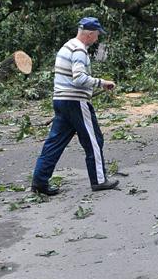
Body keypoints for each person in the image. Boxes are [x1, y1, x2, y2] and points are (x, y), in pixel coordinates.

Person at [31, 17, 118, 195]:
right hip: (76, 102)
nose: (97, 39)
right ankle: (99, 180)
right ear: (90, 34)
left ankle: (39, 182)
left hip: (61, 101)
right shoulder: (79, 50)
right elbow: (79, 79)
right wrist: (102, 82)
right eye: (97, 35)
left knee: (55, 142)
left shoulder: (67, 46)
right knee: (94, 141)